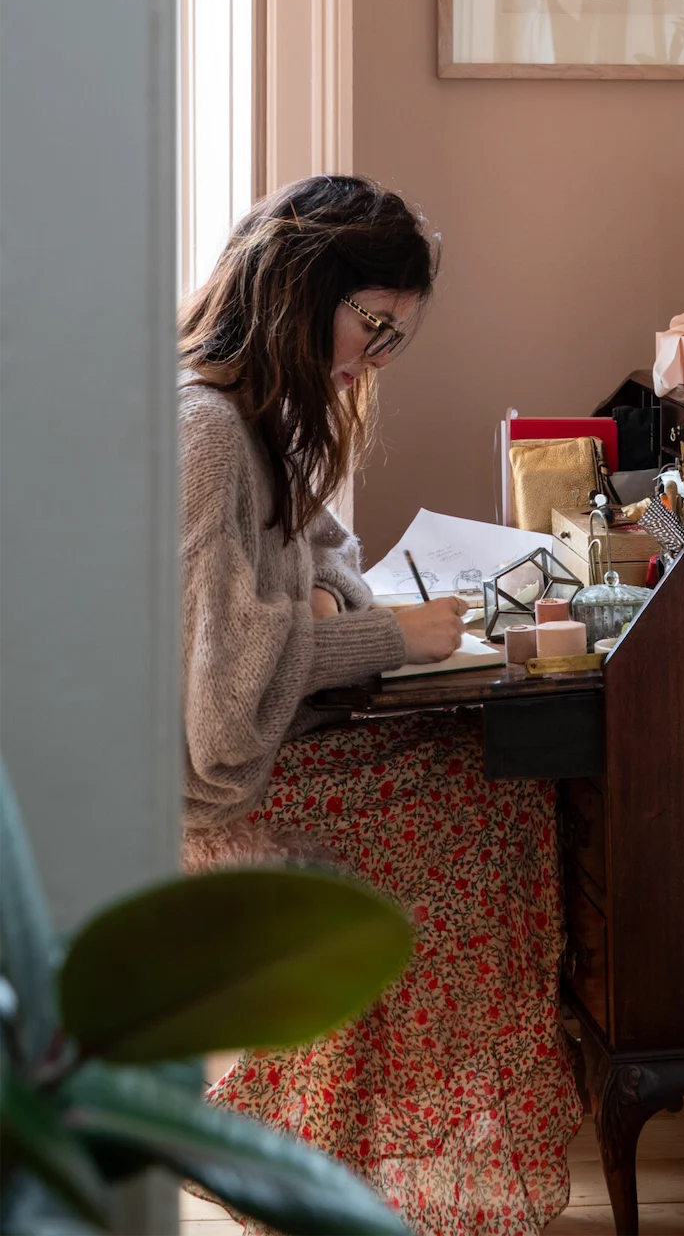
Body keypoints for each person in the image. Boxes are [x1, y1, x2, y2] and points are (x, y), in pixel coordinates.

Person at [178, 174, 580, 1235]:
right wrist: (385, 637)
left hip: (272, 750)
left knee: (493, 780)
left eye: (396, 339)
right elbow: (218, 709)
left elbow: (335, 558)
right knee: (482, 811)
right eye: (376, 328)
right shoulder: (207, 434)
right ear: (304, 288)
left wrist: (319, 609)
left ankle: (323, 1140)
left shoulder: (262, 420)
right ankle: (302, 1144)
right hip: (215, 797)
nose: (377, 360)